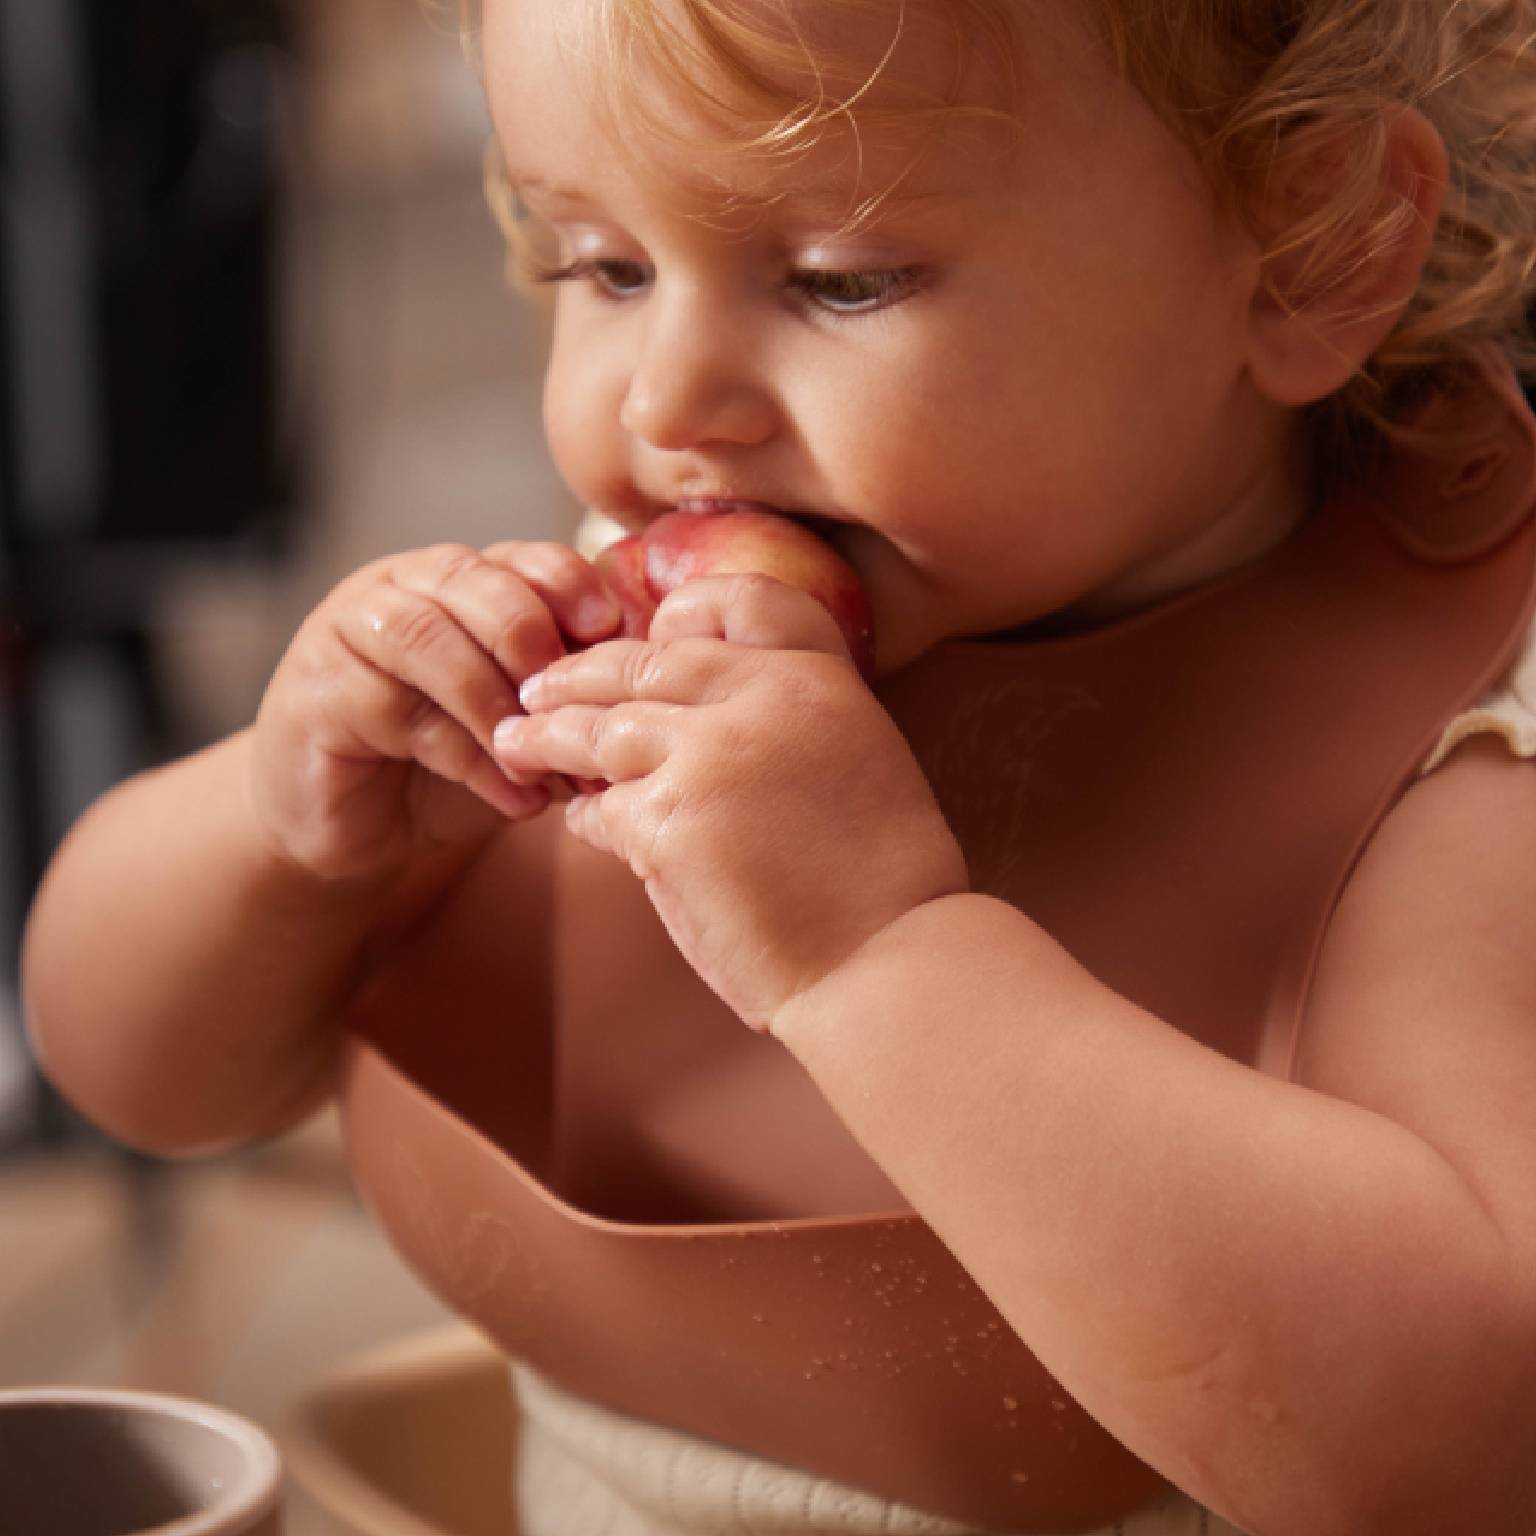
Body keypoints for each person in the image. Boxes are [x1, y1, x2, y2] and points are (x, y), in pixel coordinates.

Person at [22, 1, 1536, 1531]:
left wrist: (874, 955)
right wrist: (278, 828)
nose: (665, 404)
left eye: (840, 280)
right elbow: (134, 1075)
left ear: (1310, 244)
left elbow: (1461, 1447)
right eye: (602, 265)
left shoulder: (1454, 771)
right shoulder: (620, 625)